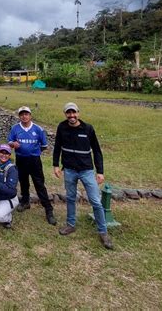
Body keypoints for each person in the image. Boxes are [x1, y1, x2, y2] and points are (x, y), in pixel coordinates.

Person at [53, 102, 113, 250]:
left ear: (78, 113)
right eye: (68, 113)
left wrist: (100, 171)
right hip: (69, 170)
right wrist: (55, 165)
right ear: (65, 114)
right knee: (71, 198)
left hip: (86, 170)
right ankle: (70, 225)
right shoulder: (62, 127)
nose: (71, 116)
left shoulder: (88, 129)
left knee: (95, 201)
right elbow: (57, 147)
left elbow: (97, 151)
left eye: (74, 113)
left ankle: (103, 232)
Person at [7, 106, 57, 225]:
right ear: (19, 116)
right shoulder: (15, 128)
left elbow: (44, 145)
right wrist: (13, 144)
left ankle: (48, 210)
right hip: (20, 159)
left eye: (26, 114)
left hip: (34, 160)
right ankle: (25, 202)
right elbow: (10, 142)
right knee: (23, 182)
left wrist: (33, 151)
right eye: (22, 114)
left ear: (30, 115)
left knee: (39, 184)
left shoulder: (38, 129)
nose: (24, 116)